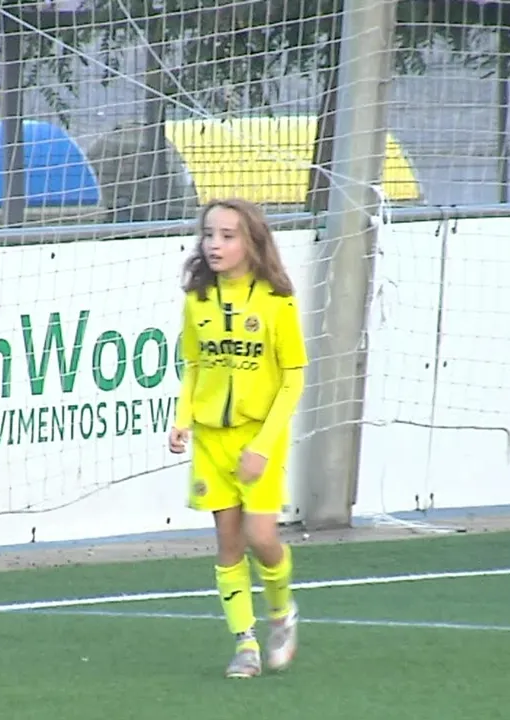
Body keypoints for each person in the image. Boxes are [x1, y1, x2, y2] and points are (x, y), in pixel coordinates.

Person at [168, 197, 308, 679]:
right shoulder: (198, 301)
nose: (214, 244)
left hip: (258, 438)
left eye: (227, 236)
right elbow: (194, 364)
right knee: (228, 544)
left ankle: (282, 611)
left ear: (252, 242)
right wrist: (183, 419)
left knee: (261, 537)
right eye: (208, 235)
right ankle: (245, 643)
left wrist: (263, 447)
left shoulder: (275, 301)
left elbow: (293, 378)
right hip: (211, 441)